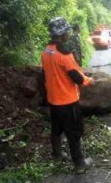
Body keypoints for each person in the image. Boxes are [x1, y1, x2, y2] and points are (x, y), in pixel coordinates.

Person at [41, 17, 94, 174]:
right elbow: (77, 78)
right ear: (62, 33)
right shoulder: (64, 54)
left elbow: (44, 74)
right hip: (68, 102)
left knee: (56, 129)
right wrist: (89, 80)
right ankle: (79, 164)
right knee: (74, 132)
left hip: (53, 100)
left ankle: (57, 154)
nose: (68, 34)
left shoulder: (45, 52)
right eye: (66, 32)